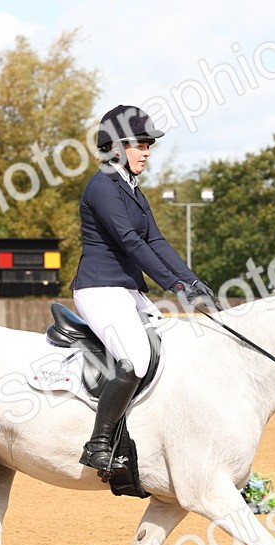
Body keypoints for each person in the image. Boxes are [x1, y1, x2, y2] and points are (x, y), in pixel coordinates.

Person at [71, 104, 215, 473]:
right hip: (99, 289)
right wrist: (175, 286)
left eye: (149, 145)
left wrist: (193, 281)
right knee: (134, 358)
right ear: (117, 147)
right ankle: (98, 443)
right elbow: (131, 242)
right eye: (142, 145)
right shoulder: (102, 185)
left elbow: (157, 240)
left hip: (127, 290)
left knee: (174, 346)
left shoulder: (131, 188)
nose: (148, 152)